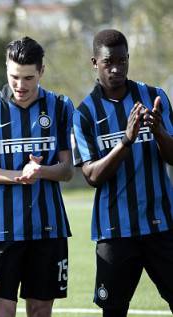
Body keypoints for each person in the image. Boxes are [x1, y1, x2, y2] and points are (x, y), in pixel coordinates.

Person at [0, 37, 74, 317]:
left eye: (28, 77)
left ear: (42, 71)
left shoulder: (60, 106)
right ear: (6, 70)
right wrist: (18, 177)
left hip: (48, 228)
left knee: (39, 310)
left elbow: (67, 169)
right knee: (1, 310)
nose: (20, 85)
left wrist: (41, 171)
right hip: (2, 231)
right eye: (14, 76)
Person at [72, 29, 173, 316]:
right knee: (114, 311)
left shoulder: (155, 97)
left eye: (122, 61)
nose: (116, 68)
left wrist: (159, 132)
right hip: (115, 232)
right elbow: (91, 176)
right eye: (108, 62)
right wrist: (126, 140)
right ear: (95, 62)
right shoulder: (85, 114)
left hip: (163, 225)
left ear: (128, 59)